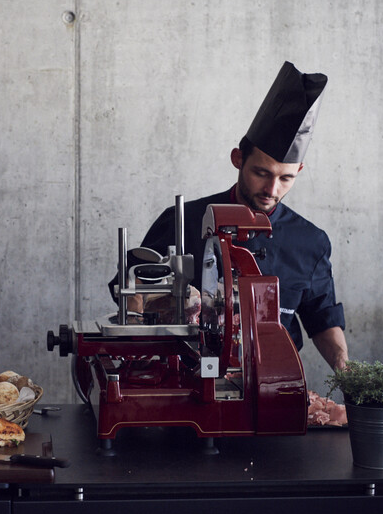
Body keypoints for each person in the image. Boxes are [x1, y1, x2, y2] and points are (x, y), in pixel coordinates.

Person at [111, 61, 349, 372]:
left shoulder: (311, 242)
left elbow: (322, 320)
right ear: (238, 159)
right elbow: (133, 287)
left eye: (286, 178)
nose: (272, 189)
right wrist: (144, 303)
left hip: (273, 384)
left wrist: (348, 375)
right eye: (261, 173)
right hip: (187, 379)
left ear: (299, 171)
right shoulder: (182, 219)